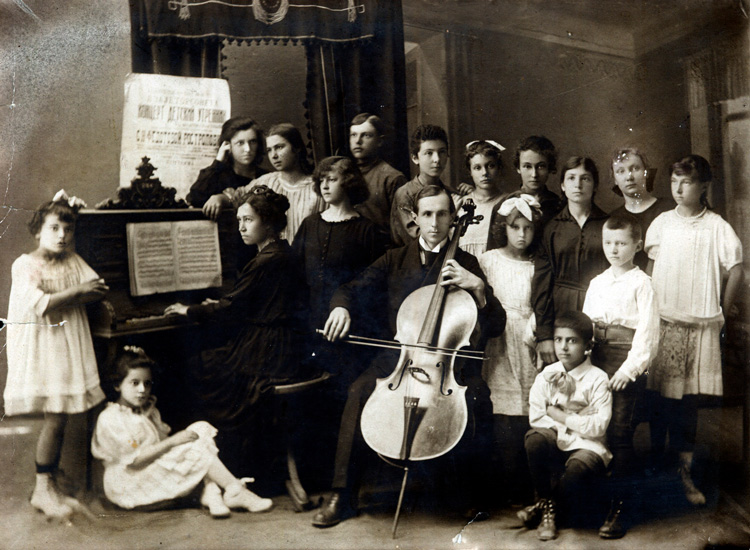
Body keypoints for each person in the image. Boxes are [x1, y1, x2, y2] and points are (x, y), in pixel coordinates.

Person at [312, 185, 506, 527]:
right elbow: (350, 289)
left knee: (478, 396)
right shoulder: (395, 259)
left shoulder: (466, 263)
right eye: (427, 214)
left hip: (449, 364)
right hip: (399, 361)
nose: (434, 222)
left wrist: (478, 289)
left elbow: (495, 325)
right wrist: (341, 307)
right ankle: (342, 494)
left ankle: (471, 495)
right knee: (358, 391)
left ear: (452, 218)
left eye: (442, 214)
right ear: (415, 218)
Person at [164, 185, 311, 475]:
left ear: (268, 223)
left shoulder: (265, 261)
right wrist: (220, 303)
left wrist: (188, 310)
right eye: (239, 220)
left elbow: (231, 308)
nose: (241, 227)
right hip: (286, 345)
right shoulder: (284, 252)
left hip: (267, 351)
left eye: (249, 220)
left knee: (196, 367)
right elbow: (251, 301)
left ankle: (215, 460)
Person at [645, 155, 743, 506]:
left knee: (687, 401)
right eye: (674, 181)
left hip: (700, 324)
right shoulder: (662, 223)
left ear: (703, 187)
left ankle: (683, 472)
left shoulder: (716, 226)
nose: (678, 188)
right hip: (664, 322)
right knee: (659, 396)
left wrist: (723, 310)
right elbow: (650, 271)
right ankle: (657, 466)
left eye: (686, 182)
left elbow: (736, 269)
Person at [3, 190, 108, 519]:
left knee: (60, 417)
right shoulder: (25, 265)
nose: (62, 235)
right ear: (38, 231)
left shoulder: (72, 260)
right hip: (44, 347)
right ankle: (42, 487)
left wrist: (73, 294)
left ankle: (48, 483)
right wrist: (75, 293)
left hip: (68, 344)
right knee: (55, 417)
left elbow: (97, 288)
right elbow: (42, 304)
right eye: (54, 228)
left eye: (68, 229)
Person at [91, 346, 272, 516]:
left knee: (200, 428)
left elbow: (160, 443)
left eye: (147, 383)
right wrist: (174, 440)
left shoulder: (145, 412)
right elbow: (135, 461)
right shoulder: (111, 418)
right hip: (129, 482)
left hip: (149, 467)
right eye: (134, 383)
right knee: (194, 447)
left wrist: (149, 419)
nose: (142, 390)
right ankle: (233, 490)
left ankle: (212, 492)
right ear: (118, 385)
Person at [582, 213, 660, 538]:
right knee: (595, 426)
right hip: (597, 356)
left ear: (637, 246)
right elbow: (586, 325)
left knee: (620, 431)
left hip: (624, 357)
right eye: (609, 242)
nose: (613, 249)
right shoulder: (597, 282)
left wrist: (630, 369)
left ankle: (622, 507)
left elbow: (648, 333)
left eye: (622, 243)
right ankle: (595, 502)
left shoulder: (642, 283)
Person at [292, 156, 387, 385]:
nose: (324, 185)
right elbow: (294, 273)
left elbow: (374, 285)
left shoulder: (367, 230)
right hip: (311, 324)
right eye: (321, 180)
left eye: (332, 179)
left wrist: (349, 309)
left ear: (349, 182)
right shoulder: (310, 224)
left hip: (349, 326)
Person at [520, 311, 612, 541]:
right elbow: (537, 417)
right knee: (535, 439)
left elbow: (598, 427)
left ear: (588, 345)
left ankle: (544, 508)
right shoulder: (547, 375)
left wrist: (560, 415)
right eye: (559, 339)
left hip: (589, 445)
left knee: (578, 467)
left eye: (572, 341)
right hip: (558, 438)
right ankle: (547, 507)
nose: (563, 347)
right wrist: (578, 418)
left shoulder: (598, 379)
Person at [478, 193, 542, 505]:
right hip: (498, 338)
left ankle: (525, 485)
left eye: (527, 228)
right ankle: (503, 484)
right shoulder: (489, 260)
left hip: (527, 337)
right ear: (503, 228)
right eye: (515, 227)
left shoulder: (537, 265)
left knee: (526, 410)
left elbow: (541, 304)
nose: (521, 234)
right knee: (501, 410)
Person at [532, 157, 609, 366]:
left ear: (595, 185)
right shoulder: (551, 228)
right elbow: (541, 285)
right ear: (563, 185)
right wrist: (545, 335)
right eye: (571, 178)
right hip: (560, 309)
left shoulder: (607, 225)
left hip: (599, 309)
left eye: (585, 178)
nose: (578, 184)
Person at [228, 123, 324, 242]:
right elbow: (237, 195)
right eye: (269, 150)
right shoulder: (265, 182)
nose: (274, 155)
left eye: (279, 147)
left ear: (296, 148)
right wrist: (219, 198)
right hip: (273, 253)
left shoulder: (319, 188)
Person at [486, 136, 560, 250]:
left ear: (549, 168)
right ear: (518, 168)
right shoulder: (504, 206)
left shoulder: (559, 205)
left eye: (541, 166)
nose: (534, 174)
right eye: (527, 166)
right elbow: (494, 252)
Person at [186, 116, 267, 220]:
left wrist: (223, 199)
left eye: (252, 142)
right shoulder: (217, 174)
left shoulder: (266, 177)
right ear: (228, 145)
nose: (247, 149)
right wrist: (218, 161)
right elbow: (194, 198)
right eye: (240, 143)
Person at [608, 148, 674, 270]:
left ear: (646, 172)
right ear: (615, 179)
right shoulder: (613, 219)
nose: (629, 177)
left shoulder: (670, 209)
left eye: (635, 168)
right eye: (621, 171)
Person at [348, 113, 407, 242]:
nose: (358, 141)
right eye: (353, 135)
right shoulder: (345, 174)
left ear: (380, 141)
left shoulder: (392, 178)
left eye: (366, 135)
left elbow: (401, 231)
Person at [390, 124, 453, 246]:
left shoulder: (450, 193)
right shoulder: (405, 194)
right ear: (415, 158)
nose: (437, 159)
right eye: (429, 153)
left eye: (442, 152)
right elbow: (418, 238)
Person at [454, 140, 506, 257]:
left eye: (491, 166)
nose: (485, 173)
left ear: (499, 168)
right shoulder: (460, 204)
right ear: (470, 171)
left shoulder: (508, 202)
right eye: (477, 168)